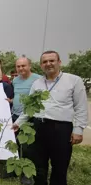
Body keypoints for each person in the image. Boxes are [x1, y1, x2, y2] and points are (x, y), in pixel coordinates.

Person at [13, 51, 88, 185]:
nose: (48, 64)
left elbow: (81, 107)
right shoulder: (37, 83)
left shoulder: (74, 81)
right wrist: (18, 123)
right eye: (45, 62)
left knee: (60, 165)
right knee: (39, 164)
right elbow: (30, 106)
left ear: (59, 62)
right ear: (41, 65)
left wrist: (79, 129)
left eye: (52, 61)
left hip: (61, 129)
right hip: (39, 127)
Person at [12, 57, 40, 122]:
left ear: (30, 66)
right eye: (18, 66)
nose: (20, 68)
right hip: (15, 115)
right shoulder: (15, 80)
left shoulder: (38, 79)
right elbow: (17, 95)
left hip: (30, 116)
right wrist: (11, 100)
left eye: (23, 66)